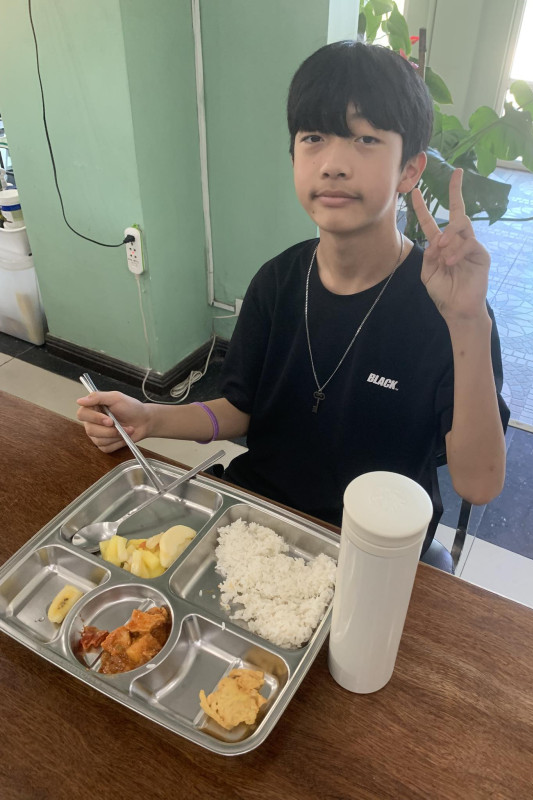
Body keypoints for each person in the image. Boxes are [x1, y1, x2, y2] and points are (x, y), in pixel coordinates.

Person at [77, 41, 509, 554]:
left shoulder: (447, 307)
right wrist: (150, 418)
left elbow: (478, 485)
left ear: (409, 171)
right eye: (314, 138)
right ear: (294, 157)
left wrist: (468, 321)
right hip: (258, 520)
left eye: (366, 139)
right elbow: (239, 409)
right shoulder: (278, 281)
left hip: (371, 547)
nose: (333, 164)